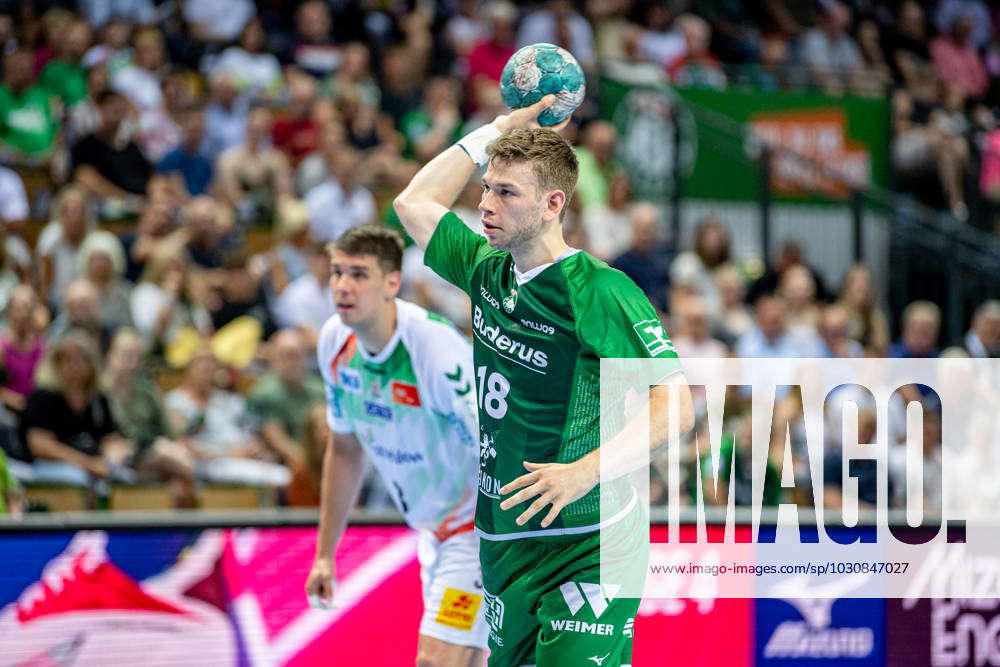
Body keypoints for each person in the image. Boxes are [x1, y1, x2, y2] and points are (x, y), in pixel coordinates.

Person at [393, 96, 693, 666]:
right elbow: (415, 201)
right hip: (504, 537)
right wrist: (496, 131)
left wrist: (588, 470)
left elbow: (676, 405)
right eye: (486, 188)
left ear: (553, 203)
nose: (485, 204)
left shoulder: (599, 290)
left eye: (507, 193)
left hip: (590, 539)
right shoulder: (485, 269)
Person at [305, 224, 487, 666]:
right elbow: (345, 450)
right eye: (337, 272)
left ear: (392, 283)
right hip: (433, 532)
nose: (343, 286)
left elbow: (494, 446)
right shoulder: (334, 342)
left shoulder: (433, 349)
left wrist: (507, 544)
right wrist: (325, 553)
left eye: (359, 274)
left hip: (478, 531)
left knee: (436, 661)